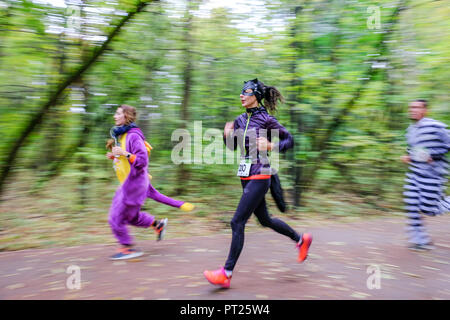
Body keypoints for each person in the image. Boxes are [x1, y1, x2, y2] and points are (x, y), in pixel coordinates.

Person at [203, 79, 312, 288]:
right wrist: (227, 136)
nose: (241, 95)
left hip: (261, 172)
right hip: (245, 175)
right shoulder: (240, 120)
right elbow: (233, 147)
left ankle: (226, 273)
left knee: (237, 222)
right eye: (241, 92)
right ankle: (301, 240)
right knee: (265, 220)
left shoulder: (266, 120)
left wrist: (271, 145)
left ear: (256, 96)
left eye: (246, 92)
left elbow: (290, 140)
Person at [106, 104, 194, 260]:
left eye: (118, 113)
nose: (115, 116)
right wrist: (116, 156)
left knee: (115, 217)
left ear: (126, 116)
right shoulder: (124, 135)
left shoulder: (133, 136)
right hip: (129, 184)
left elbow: (141, 160)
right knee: (131, 217)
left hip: (134, 185)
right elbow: (128, 160)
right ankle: (157, 225)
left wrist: (124, 153)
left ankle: (127, 248)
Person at [401, 99, 450, 251]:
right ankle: (420, 241)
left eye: (417, 107)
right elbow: (414, 149)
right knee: (411, 203)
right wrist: (408, 156)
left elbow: (447, 145)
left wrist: (433, 156)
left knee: (429, 209)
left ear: (425, 110)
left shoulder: (436, 126)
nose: (413, 110)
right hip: (415, 173)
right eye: (411, 107)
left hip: (432, 174)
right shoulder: (411, 129)